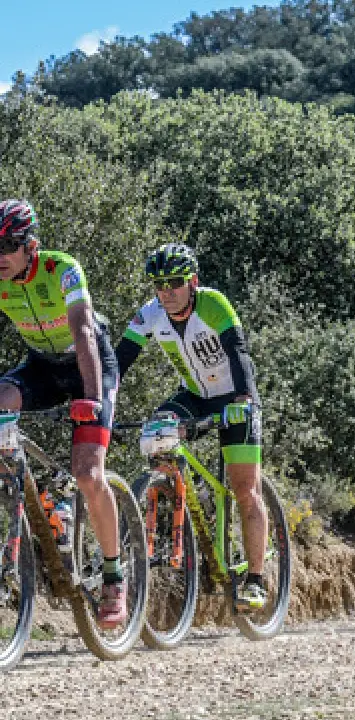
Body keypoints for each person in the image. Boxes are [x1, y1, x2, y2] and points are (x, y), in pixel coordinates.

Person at [115, 243, 269, 610]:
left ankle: (255, 580)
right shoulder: (151, 314)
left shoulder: (213, 304)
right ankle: (179, 492)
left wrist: (244, 400)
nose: (166, 291)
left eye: (174, 282)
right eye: (159, 284)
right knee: (156, 431)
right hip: (195, 395)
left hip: (234, 397)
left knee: (245, 489)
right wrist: (101, 400)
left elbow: (239, 352)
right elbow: (119, 361)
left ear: (192, 282)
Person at [0, 200, 125, 626]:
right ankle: (35, 489)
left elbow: (84, 330)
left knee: (88, 474)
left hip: (90, 364)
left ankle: (114, 577)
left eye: (9, 245)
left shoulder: (62, 269)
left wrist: (91, 398)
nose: (1, 255)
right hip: (43, 367)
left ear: (31, 246)